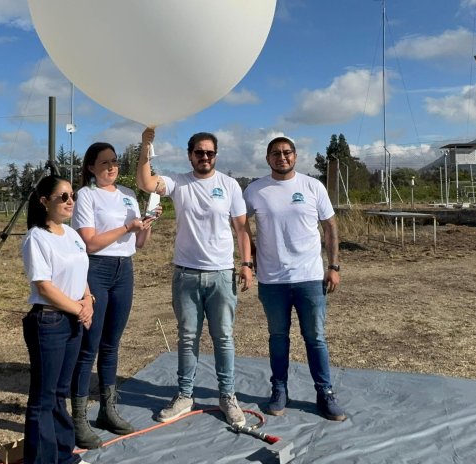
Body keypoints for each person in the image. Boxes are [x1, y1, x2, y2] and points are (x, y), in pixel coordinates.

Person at [136, 127, 253, 427]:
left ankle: (228, 397)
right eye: (199, 152)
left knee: (223, 337)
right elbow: (145, 182)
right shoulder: (178, 183)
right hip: (186, 275)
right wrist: (145, 146)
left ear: (216, 155)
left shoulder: (229, 185)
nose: (205, 157)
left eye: (210, 152)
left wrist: (247, 264)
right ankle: (185, 395)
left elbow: (241, 229)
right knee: (188, 338)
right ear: (190, 155)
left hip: (222, 275)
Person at [243, 137, 346, 421]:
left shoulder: (313, 186)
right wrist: (248, 257)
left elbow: (330, 226)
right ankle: (279, 390)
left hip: (310, 278)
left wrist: (334, 265)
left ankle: (325, 393)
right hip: (272, 280)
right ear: (268, 159)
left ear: (296, 156)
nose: (282, 157)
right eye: (276, 153)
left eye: (287, 153)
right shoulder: (255, 190)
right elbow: (239, 224)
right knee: (278, 337)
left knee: (315, 338)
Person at [69, 142, 156, 449]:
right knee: (88, 345)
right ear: (91, 167)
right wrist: (125, 227)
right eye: (104, 163)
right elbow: (89, 243)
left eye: (115, 162)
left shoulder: (129, 195)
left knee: (111, 343)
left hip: (124, 269)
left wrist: (146, 224)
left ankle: (108, 409)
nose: (111, 167)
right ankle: (78, 418)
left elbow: (140, 242)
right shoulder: (86, 196)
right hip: (96, 270)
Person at [21, 175, 96, 464]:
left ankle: (64, 456)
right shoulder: (37, 238)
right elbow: (44, 286)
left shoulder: (74, 235)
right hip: (49, 323)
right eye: (62, 196)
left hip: (73, 322)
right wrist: (79, 309)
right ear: (44, 201)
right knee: (43, 398)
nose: (69, 202)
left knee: (61, 392)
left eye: (72, 196)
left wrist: (88, 301)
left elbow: (81, 274)